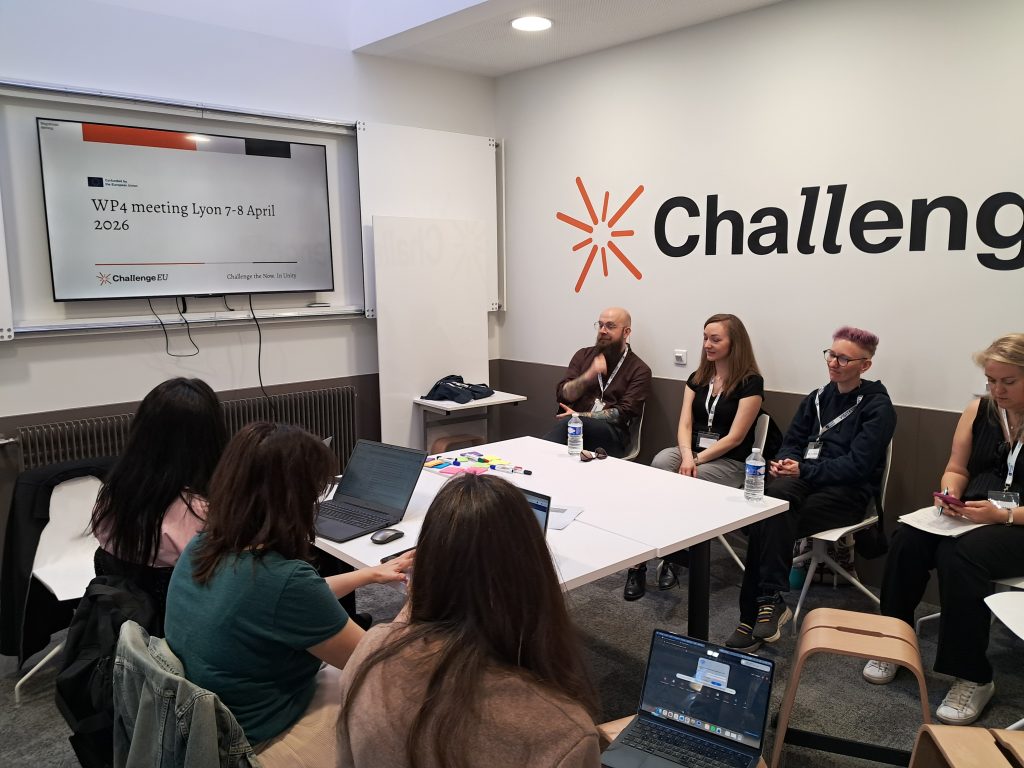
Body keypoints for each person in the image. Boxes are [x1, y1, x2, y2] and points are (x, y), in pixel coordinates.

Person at [165, 423, 413, 767]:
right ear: (295, 499)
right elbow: (377, 664)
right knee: (403, 703)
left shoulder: (203, 544)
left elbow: (289, 601)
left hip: (208, 723)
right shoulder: (283, 582)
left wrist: (369, 575)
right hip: (253, 742)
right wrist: (416, 600)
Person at [338, 473, 601, 768]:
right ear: (533, 572)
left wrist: (421, 592)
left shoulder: (372, 649)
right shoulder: (563, 733)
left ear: (427, 564)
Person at [863, 333, 1024, 726]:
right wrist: (950, 495)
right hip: (974, 514)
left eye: (1008, 381)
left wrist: (1002, 517)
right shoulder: (979, 410)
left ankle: (973, 676)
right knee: (908, 538)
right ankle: (894, 640)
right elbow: (957, 468)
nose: (997, 390)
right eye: (991, 380)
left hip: (1015, 523)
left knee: (961, 555)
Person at [726, 326, 896, 651]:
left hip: (847, 493)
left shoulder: (878, 408)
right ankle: (769, 603)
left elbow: (857, 466)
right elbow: (792, 442)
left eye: (844, 359)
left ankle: (754, 613)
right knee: (772, 506)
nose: (833, 362)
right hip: (803, 482)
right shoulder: (817, 399)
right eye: (831, 354)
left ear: (865, 365)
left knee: (769, 517)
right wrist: (786, 463)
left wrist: (804, 469)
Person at [624, 313, 764, 600]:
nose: (707, 345)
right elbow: (685, 425)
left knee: (686, 483)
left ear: (734, 343)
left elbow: (735, 437)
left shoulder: (751, 383)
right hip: (692, 452)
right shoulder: (698, 378)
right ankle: (640, 561)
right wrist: (688, 456)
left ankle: (670, 558)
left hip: (730, 460)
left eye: (715, 339)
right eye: (705, 338)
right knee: (661, 463)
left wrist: (696, 461)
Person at [90, 377, 227, 621]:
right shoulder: (201, 513)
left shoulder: (114, 495)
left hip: (124, 628)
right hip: (181, 631)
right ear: (210, 440)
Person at [542, 306, 651, 458]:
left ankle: (538, 457)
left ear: (626, 332)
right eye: (600, 325)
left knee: (572, 423)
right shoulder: (583, 356)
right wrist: (588, 375)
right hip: (574, 434)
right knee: (571, 426)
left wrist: (578, 415)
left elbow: (622, 413)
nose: (603, 330)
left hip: (611, 436)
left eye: (610, 326)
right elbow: (563, 395)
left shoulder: (639, 369)